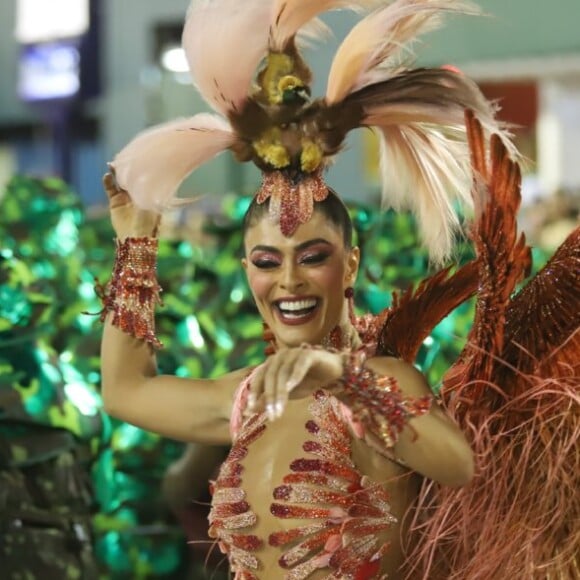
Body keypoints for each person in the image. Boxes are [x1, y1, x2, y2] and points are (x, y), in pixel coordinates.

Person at [99, 1, 578, 578]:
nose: (290, 280)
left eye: (313, 257)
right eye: (267, 261)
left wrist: (344, 379)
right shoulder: (248, 398)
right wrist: (136, 243)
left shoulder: (382, 382)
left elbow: (457, 464)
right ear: (247, 269)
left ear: (349, 265)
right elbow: (126, 391)